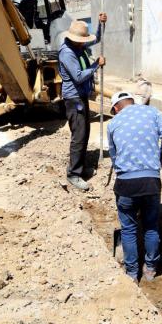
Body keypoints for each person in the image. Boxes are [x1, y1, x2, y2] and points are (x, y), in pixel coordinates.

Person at [107, 91, 162, 282]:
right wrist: (160, 157)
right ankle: (151, 270)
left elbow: (114, 155)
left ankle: (131, 274)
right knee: (151, 226)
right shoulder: (151, 112)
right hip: (151, 181)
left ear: (117, 108)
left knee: (128, 230)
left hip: (126, 184)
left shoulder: (113, 123)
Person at [58, 13, 108, 191]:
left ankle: (79, 167)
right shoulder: (67, 53)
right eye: (82, 39)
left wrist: (101, 25)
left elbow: (96, 39)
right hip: (74, 99)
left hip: (82, 96)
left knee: (84, 133)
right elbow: (78, 77)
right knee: (78, 137)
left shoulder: (78, 46)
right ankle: (73, 174)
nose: (84, 42)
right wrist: (95, 65)